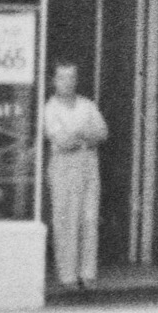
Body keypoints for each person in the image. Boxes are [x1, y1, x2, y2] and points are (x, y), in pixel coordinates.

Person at [42, 62, 108, 296]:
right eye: (62, 78)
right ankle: (67, 275)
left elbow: (101, 132)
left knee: (89, 219)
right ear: (54, 81)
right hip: (63, 168)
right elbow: (61, 141)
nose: (67, 82)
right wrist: (83, 135)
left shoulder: (87, 105)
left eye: (71, 78)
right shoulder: (50, 108)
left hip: (88, 166)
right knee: (66, 220)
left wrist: (78, 134)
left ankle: (87, 273)